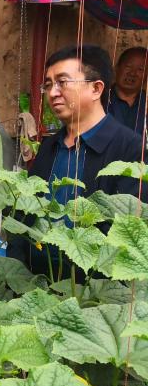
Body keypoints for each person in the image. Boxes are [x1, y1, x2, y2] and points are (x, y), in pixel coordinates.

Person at [11, 45, 146, 274]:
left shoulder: (130, 148)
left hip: (90, 285)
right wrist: (17, 272)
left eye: (62, 82)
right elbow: (23, 213)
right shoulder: (50, 146)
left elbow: (128, 231)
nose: (53, 93)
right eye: (48, 85)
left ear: (96, 89)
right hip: (35, 281)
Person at [107, 46, 147, 136]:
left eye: (140, 69)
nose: (132, 73)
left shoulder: (146, 103)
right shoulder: (99, 100)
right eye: (128, 67)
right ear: (117, 68)